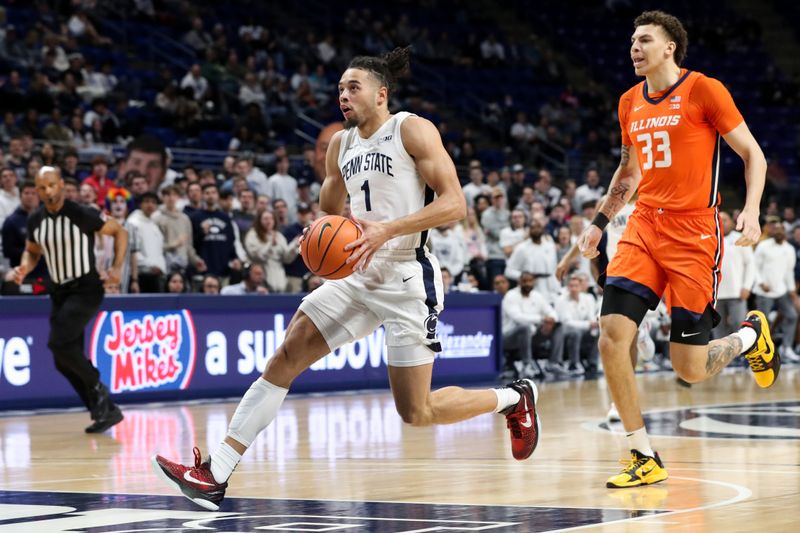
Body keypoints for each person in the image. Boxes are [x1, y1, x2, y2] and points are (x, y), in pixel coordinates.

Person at [153, 47, 541, 510]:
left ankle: (512, 398)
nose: (343, 95)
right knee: (285, 356)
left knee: (416, 412)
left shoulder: (411, 129)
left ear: (381, 94)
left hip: (406, 277)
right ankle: (215, 472)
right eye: (339, 88)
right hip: (356, 274)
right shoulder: (340, 145)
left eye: (352, 87)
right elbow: (328, 213)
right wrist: (315, 237)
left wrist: (386, 230)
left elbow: (455, 204)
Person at [576, 11, 774, 489]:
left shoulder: (704, 89)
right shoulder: (628, 102)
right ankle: (642, 453)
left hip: (693, 235)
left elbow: (753, 154)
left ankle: (750, 337)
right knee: (611, 336)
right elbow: (628, 174)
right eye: (631, 40)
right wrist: (600, 223)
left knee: (689, 369)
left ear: (670, 48)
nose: (634, 47)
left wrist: (751, 210)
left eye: (644, 40)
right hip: (644, 228)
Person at [15, 166, 127, 433]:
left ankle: (98, 388)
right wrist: (24, 267)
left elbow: (120, 231)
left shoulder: (81, 213)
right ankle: (106, 411)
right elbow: (32, 252)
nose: (48, 191)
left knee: (59, 343)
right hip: (59, 292)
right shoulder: (35, 220)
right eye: (42, 187)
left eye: (52, 185)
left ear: (62, 185)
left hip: (86, 288)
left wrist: (117, 268)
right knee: (61, 357)